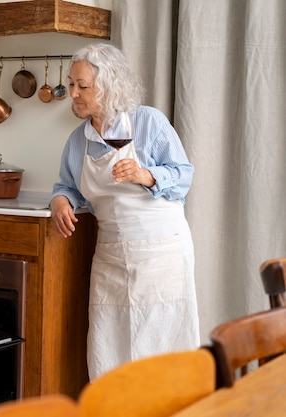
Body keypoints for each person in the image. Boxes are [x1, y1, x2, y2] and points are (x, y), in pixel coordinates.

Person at [50, 43, 200, 379]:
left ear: (109, 84)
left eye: (82, 86)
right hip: (111, 255)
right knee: (109, 346)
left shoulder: (148, 122)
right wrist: (60, 201)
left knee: (162, 347)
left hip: (160, 252)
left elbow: (183, 175)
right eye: (71, 83)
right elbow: (66, 186)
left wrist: (146, 175)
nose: (72, 93)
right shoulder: (78, 140)